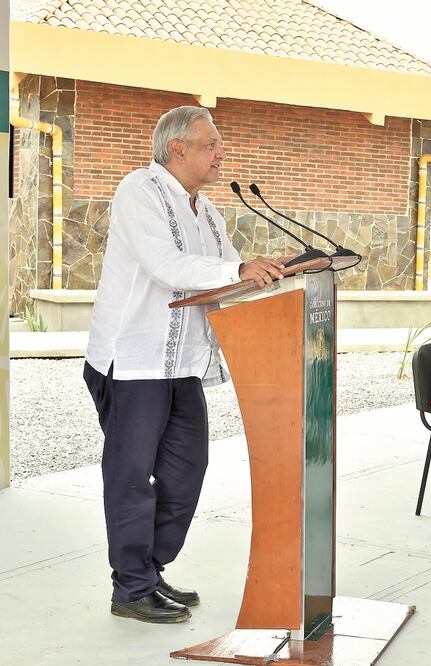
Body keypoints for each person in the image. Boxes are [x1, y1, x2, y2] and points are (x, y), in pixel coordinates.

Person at [83, 106, 285, 623]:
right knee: (131, 479)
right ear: (178, 149)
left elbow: (222, 275)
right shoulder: (139, 192)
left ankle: (148, 574)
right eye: (211, 144)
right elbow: (165, 267)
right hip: (133, 362)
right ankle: (130, 587)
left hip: (183, 364)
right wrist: (239, 268)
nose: (222, 154)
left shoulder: (209, 211)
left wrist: (273, 274)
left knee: (185, 475)